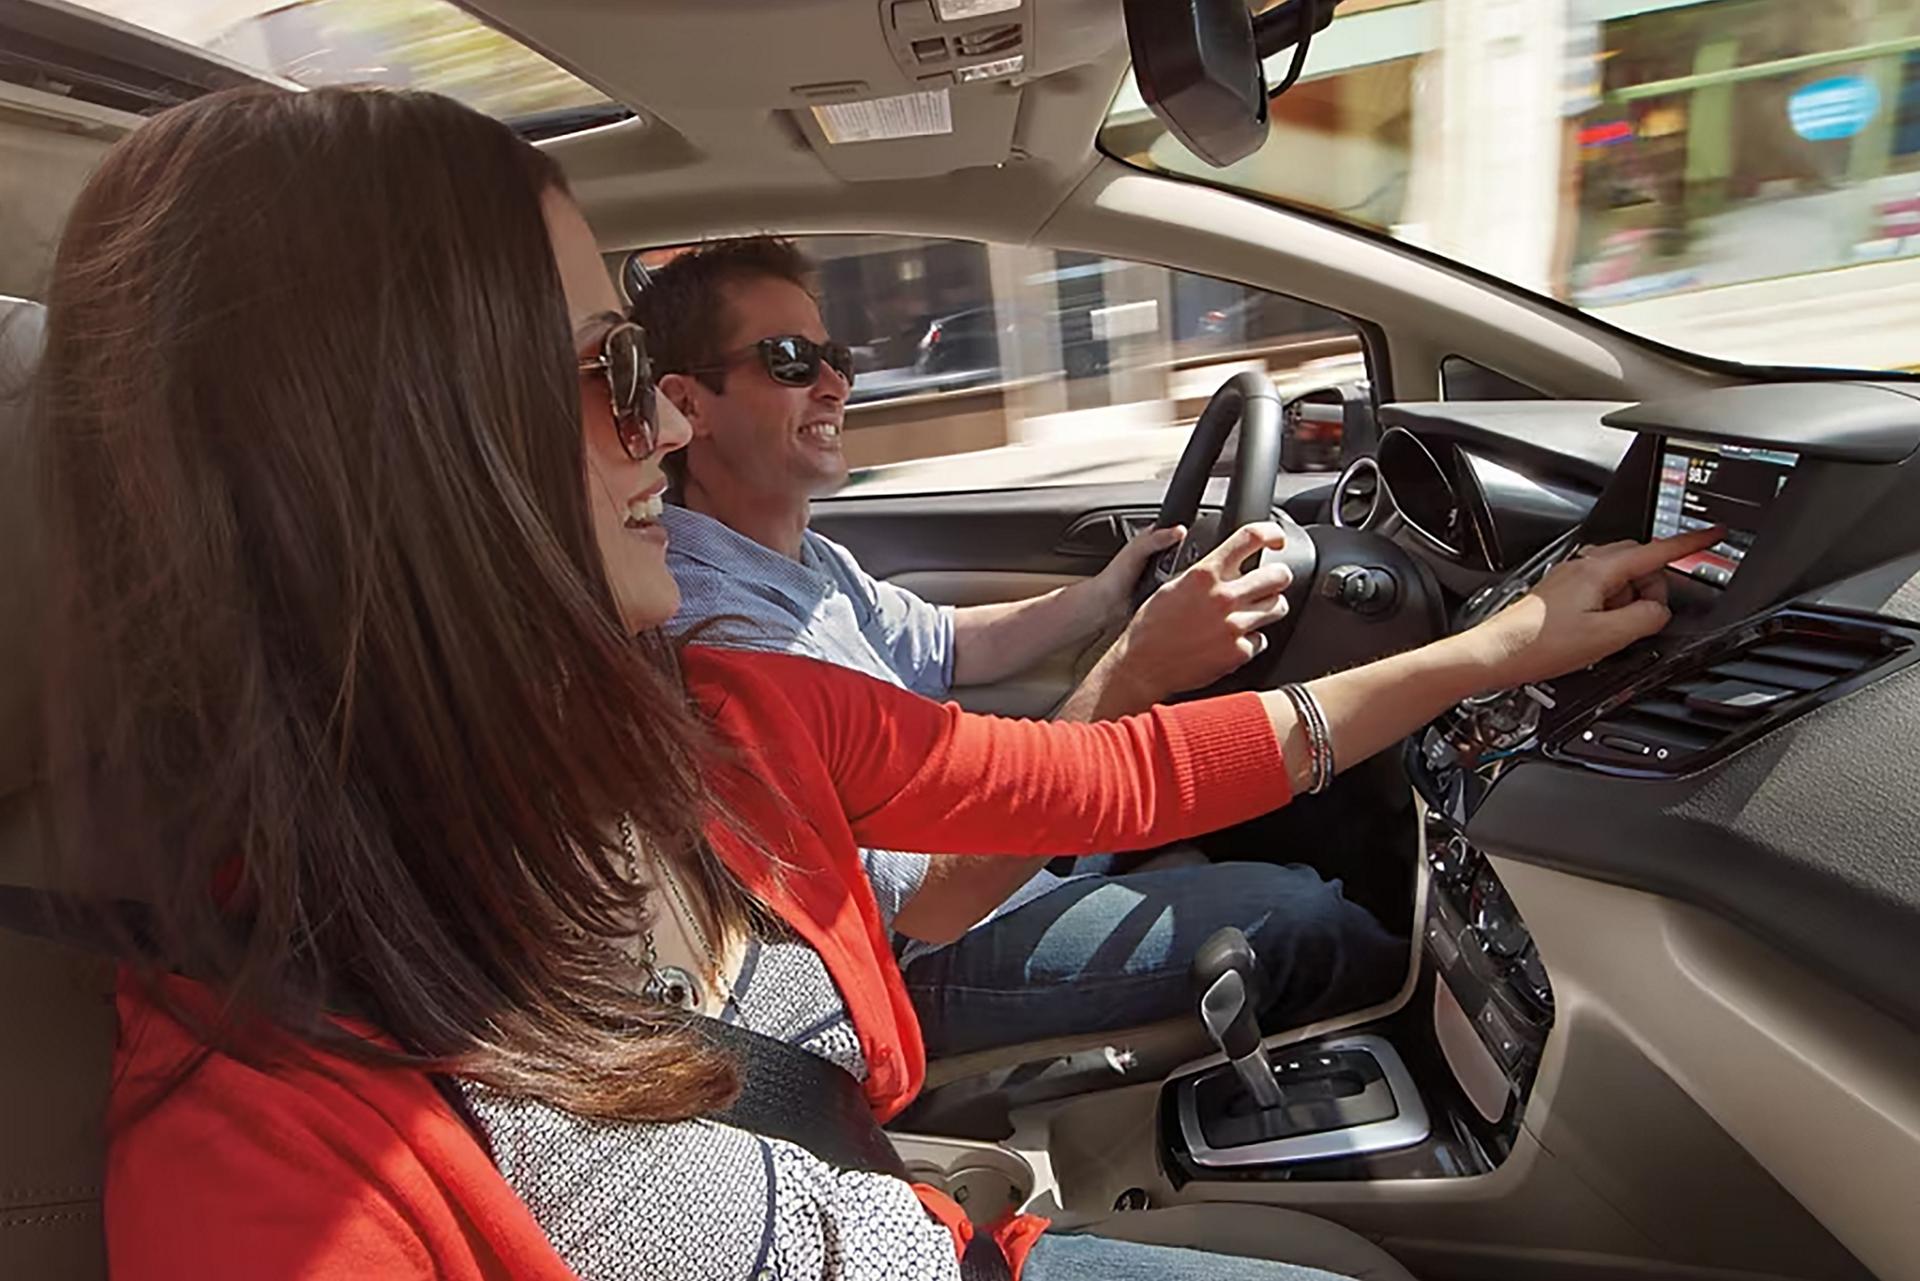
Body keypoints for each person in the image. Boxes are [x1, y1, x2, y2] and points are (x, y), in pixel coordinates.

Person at [31, 85, 1719, 1281]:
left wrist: (1493, 651)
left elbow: (1122, 781)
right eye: (618, 373)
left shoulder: (716, 723)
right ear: (401, 465)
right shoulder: (256, 1153)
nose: (675, 423)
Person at [635, 237, 1404, 1058]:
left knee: (1251, 830)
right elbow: (929, 903)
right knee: (1302, 915)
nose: (833, 383)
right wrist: (1137, 663)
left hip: (985, 868)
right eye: (790, 360)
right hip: (922, 954)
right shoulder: (719, 625)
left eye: (836, 356)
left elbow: (942, 642)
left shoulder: (800, 556)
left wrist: (1107, 595)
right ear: (690, 405)